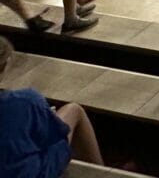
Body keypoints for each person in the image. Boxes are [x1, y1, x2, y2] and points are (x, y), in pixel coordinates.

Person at [0, 36, 104, 174]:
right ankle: (103, 174)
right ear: (6, 64)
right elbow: (47, 138)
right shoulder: (26, 100)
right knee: (73, 110)